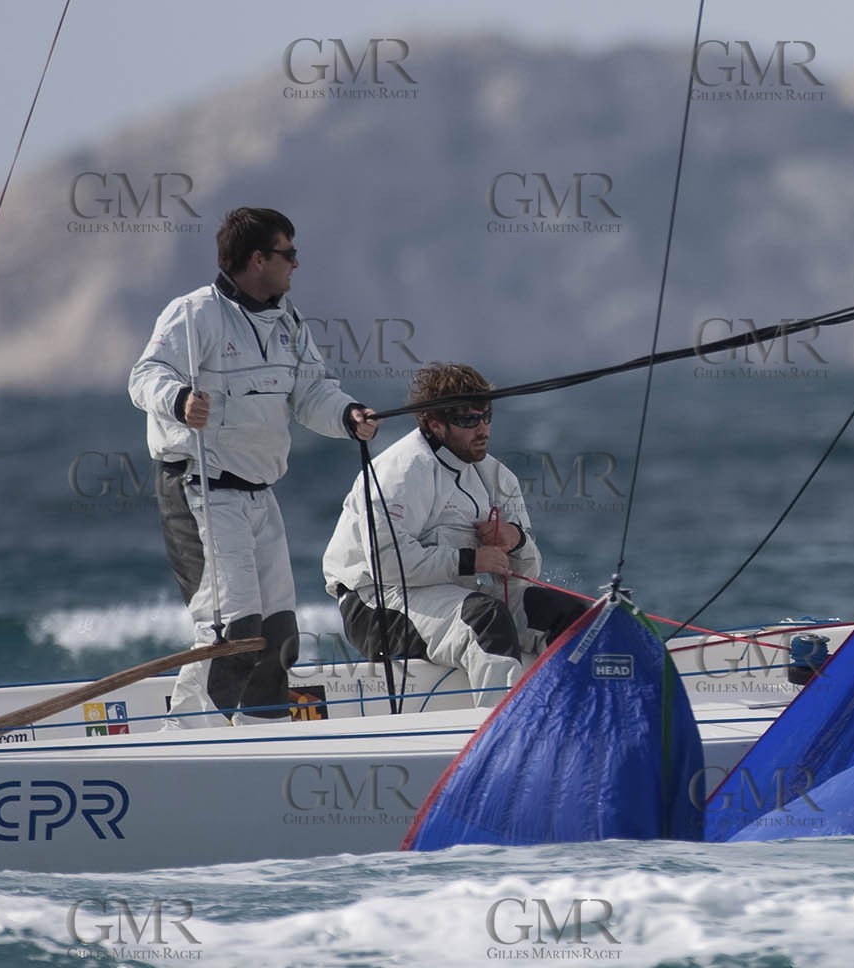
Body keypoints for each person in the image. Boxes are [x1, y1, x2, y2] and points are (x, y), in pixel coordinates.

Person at [130, 206, 379, 722]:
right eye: (289, 253)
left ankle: (264, 729)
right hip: (201, 489)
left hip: (259, 494)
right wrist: (179, 400)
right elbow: (144, 375)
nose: (297, 264)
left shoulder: (288, 319)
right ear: (258, 259)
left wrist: (348, 414)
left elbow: (312, 394)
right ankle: (192, 730)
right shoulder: (193, 313)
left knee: (280, 631)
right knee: (233, 630)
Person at [322, 362, 588, 698]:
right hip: (376, 604)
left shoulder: (498, 478)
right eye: (468, 420)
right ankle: (496, 738)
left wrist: (516, 540)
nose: (483, 429)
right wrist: (471, 560)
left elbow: (523, 576)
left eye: (487, 416)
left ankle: (573, 716)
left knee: (569, 614)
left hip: (454, 594)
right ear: (435, 424)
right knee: (486, 619)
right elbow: (387, 564)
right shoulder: (401, 472)